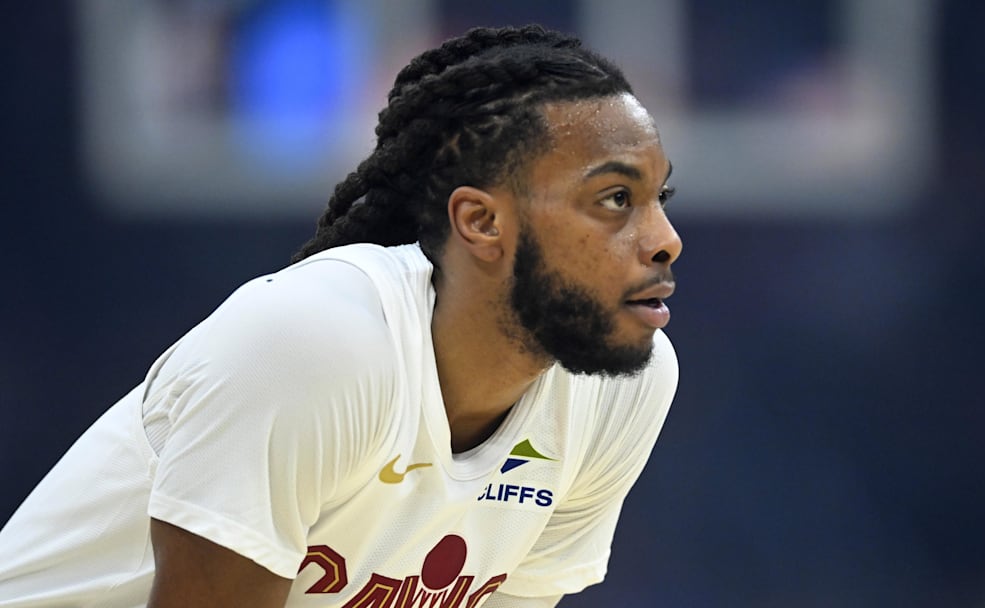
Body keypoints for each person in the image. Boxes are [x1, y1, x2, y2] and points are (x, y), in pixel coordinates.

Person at [0, 24, 681, 607]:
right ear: (481, 221)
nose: (664, 238)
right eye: (616, 199)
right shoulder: (315, 343)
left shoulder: (623, 385)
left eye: (659, 198)